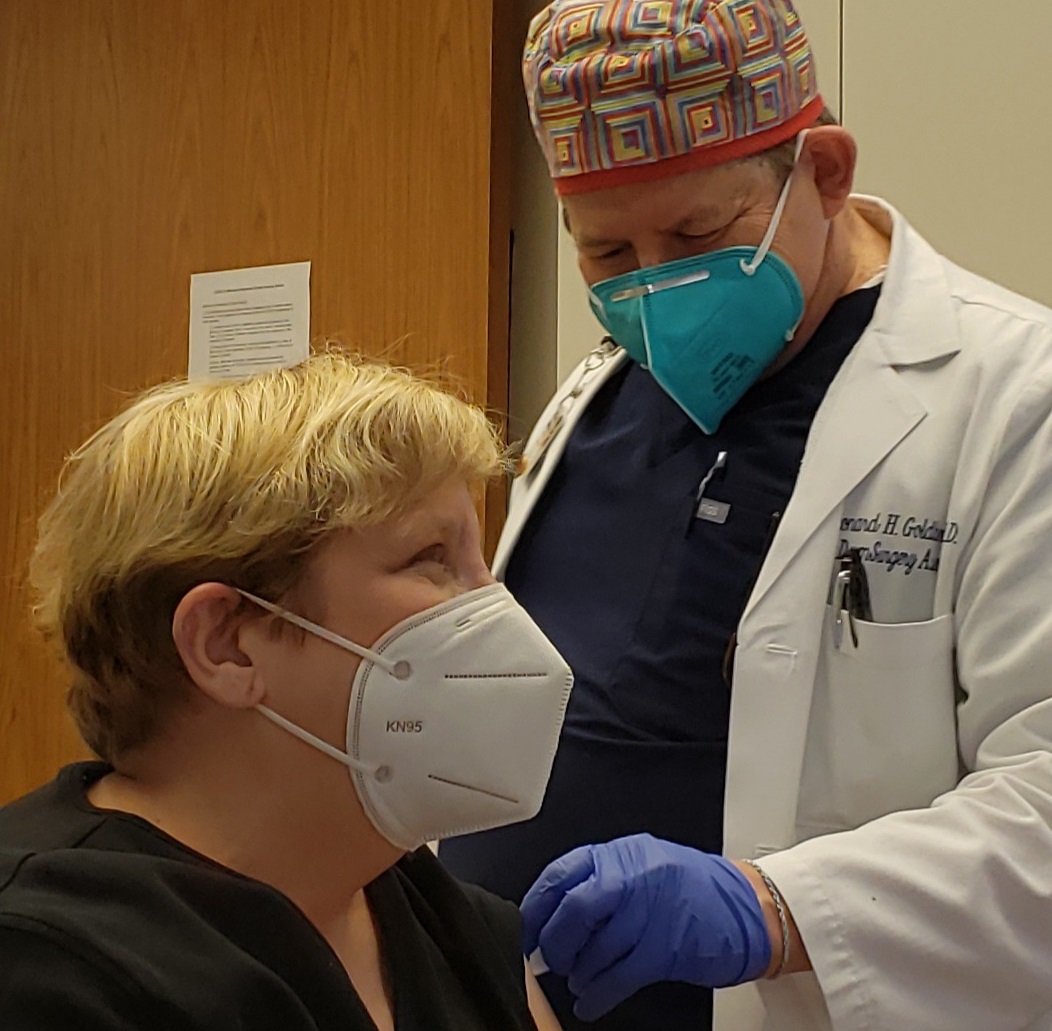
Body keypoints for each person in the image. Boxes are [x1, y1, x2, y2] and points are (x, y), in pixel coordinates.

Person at [438, 1, 1052, 1029]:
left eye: (695, 236)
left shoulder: (1015, 402)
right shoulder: (596, 392)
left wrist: (773, 909)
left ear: (825, 171)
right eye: (608, 255)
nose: (655, 288)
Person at [0, 351, 570, 1030]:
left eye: (480, 560)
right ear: (225, 642)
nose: (494, 606)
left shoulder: (447, 923)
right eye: (431, 559)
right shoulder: (48, 968)